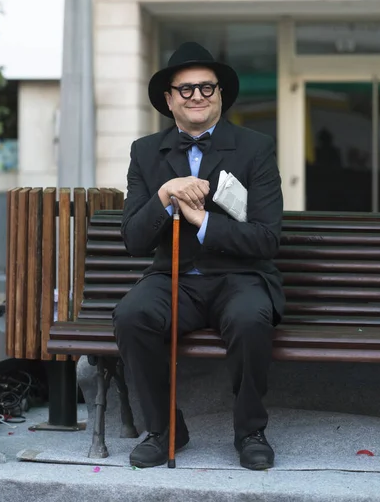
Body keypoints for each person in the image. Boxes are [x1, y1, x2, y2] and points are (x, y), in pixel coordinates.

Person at [113, 41, 285, 471]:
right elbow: (134, 239)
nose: (196, 97)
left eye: (207, 88)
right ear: (169, 99)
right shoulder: (145, 151)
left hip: (239, 277)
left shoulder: (255, 148)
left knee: (250, 319)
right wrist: (165, 195)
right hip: (174, 278)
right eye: (185, 89)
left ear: (220, 96)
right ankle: (166, 428)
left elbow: (267, 239)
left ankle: (250, 431)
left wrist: (202, 221)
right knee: (132, 315)